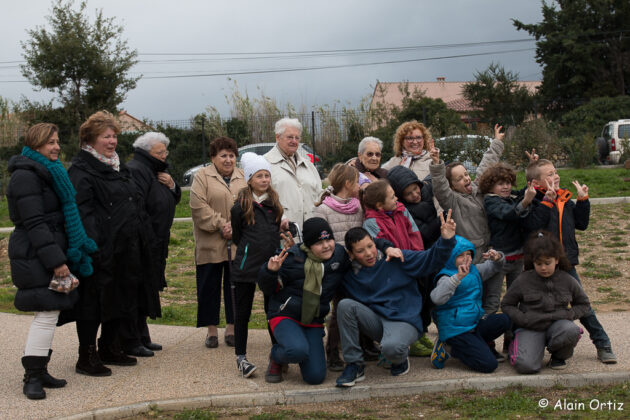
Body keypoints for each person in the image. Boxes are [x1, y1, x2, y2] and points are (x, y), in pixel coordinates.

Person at [7, 123, 96, 399]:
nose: (56, 147)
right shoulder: (26, 176)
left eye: (57, 141)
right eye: (50, 143)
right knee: (45, 315)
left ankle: (40, 370)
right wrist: (57, 262)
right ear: (35, 145)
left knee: (50, 312)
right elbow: (35, 224)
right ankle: (31, 377)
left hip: (43, 252)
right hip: (35, 254)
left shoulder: (47, 172)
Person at [67, 111, 157, 376]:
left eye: (115, 136)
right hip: (100, 250)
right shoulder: (82, 171)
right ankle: (87, 355)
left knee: (122, 298)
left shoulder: (118, 167)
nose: (112, 141)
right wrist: (97, 245)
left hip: (126, 247)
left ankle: (110, 346)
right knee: (92, 304)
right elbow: (82, 213)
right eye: (106, 136)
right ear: (89, 140)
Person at [258, 217, 399, 385]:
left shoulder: (339, 256)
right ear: (309, 245)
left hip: (313, 320)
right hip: (286, 315)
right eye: (319, 242)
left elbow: (365, 243)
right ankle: (277, 356)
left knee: (315, 377)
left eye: (329, 239)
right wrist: (270, 272)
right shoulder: (291, 257)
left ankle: (300, 348)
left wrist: (387, 247)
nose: (326, 246)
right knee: (296, 350)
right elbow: (268, 289)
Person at [335, 211, 456, 387]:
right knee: (345, 305)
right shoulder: (350, 275)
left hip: (404, 319)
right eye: (360, 251)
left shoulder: (396, 258)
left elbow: (430, 260)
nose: (368, 253)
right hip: (376, 321)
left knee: (392, 349)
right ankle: (354, 365)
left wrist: (445, 240)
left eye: (370, 246)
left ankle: (400, 360)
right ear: (351, 254)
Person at [524, 159, 617, 364]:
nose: (555, 176)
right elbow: (533, 225)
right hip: (539, 265)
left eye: (555, 172)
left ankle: (603, 344)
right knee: (537, 307)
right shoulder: (532, 200)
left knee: (582, 305)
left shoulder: (564, 199)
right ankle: (549, 350)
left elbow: (581, 224)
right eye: (549, 174)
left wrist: (583, 201)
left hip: (566, 263)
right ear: (537, 183)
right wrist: (546, 200)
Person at [123, 132, 181, 355]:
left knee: (149, 287)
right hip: (144, 240)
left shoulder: (158, 170)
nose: (164, 156)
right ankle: (133, 338)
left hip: (158, 239)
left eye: (165, 152)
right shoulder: (137, 169)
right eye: (160, 152)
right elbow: (138, 206)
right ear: (147, 153)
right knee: (139, 289)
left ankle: (142, 334)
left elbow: (173, 198)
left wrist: (173, 185)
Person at [501, 231, 590, 373]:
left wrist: (569, 315)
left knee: (571, 330)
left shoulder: (567, 280)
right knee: (526, 367)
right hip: (530, 327)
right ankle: (520, 346)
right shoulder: (523, 280)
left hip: (558, 326)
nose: (543, 268)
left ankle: (558, 356)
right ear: (533, 262)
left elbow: (584, 304)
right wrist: (522, 319)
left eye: (547, 263)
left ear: (556, 260)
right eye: (539, 263)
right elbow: (506, 304)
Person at [230, 152, 284, 378]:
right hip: (245, 267)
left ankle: (278, 352)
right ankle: (241, 356)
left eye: (267, 175)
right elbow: (236, 236)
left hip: (270, 266)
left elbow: (276, 232)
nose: (264, 180)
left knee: (272, 310)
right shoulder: (240, 206)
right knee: (242, 313)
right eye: (259, 176)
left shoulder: (274, 205)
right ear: (250, 179)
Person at [190, 137, 245, 348]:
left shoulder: (243, 177)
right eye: (223, 155)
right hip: (210, 242)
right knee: (208, 286)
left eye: (231, 155)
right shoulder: (202, 177)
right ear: (213, 158)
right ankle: (211, 330)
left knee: (235, 286)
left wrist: (237, 227)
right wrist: (222, 224)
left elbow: (251, 203)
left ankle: (232, 327)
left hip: (237, 243)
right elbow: (198, 207)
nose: (228, 160)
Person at [476, 162, 536, 351]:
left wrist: (532, 169)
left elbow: (525, 191)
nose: (506, 187)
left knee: (515, 300)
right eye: (500, 183)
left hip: (517, 258)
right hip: (498, 261)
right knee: (492, 302)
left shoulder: (511, 196)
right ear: (490, 186)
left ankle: (511, 340)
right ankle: (485, 339)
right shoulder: (491, 201)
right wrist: (525, 202)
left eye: (509, 182)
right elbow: (508, 214)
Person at [430, 236, 510, 373]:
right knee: (489, 365)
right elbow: (436, 298)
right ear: (450, 257)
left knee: (504, 320)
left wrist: (497, 257)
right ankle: (449, 347)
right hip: (456, 329)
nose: (466, 258)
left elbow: (496, 266)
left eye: (469, 254)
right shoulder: (446, 276)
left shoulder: (474, 270)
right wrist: (457, 278)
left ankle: (474, 344)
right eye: (460, 256)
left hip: (474, 323)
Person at [386, 164, 441, 357]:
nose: (415, 195)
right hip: (421, 256)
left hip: (438, 252)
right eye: (408, 194)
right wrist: (439, 222)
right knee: (423, 297)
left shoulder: (427, 190)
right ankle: (420, 333)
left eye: (415, 189)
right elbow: (423, 234)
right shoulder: (403, 210)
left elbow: (440, 175)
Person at [429, 124, 505, 262]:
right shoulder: (453, 201)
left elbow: (486, 164)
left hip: (491, 250)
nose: (466, 178)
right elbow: (440, 187)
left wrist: (497, 142)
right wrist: (436, 163)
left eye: (466, 174)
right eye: (459, 178)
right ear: (452, 186)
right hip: (472, 256)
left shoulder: (478, 188)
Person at [313, 163, 363, 371]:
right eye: (358, 182)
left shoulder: (358, 206)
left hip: (355, 266)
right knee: (336, 311)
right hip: (333, 267)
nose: (360, 186)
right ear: (348, 183)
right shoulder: (324, 209)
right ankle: (332, 350)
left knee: (355, 306)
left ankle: (360, 346)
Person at [264, 117, 322, 229]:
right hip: (283, 232)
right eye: (290, 137)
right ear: (277, 137)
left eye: (297, 138)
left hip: (311, 232)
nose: (294, 141)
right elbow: (262, 199)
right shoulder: (265, 164)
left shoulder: (308, 165)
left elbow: (318, 194)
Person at [362, 179, 423, 251]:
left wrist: (417, 254)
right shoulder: (371, 224)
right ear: (380, 205)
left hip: (413, 257)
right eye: (392, 197)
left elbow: (414, 233)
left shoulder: (402, 210)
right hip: (393, 261)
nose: (396, 198)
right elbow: (378, 249)